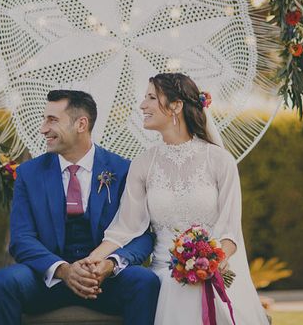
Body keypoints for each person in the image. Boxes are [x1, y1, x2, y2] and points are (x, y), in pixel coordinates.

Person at [86, 73, 270, 324]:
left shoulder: (219, 161)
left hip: (214, 271)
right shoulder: (143, 165)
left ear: (176, 106)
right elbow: (124, 229)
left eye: (151, 97)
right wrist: (92, 259)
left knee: (197, 293)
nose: (142, 105)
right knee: (175, 289)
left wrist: (209, 266)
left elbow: (230, 233)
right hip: (164, 275)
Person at [0, 90, 159, 325]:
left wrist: (109, 265)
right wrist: (64, 270)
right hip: (47, 281)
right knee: (2, 283)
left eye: (52, 120)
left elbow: (142, 235)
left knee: (144, 281)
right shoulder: (29, 173)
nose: (43, 129)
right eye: (44, 119)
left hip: (105, 282)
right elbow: (21, 239)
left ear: (81, 124)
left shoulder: (123, 170)